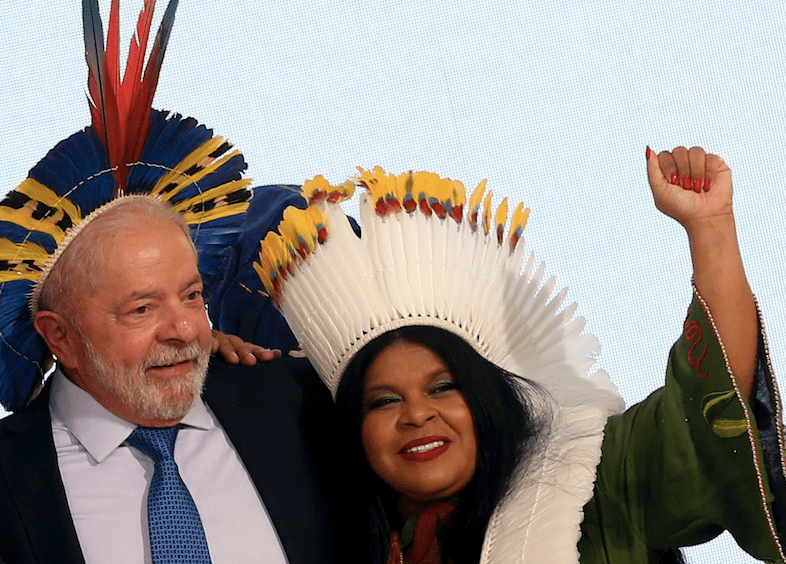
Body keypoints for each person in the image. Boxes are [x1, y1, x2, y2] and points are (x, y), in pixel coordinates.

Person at [245, 153, 786, 563]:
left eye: (442, 388)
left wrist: (710, 230)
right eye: (384, 401)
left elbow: (708, 409)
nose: (417, 415)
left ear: (484, 398)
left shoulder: (591, 482)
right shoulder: (332, 543)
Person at [0, 0, 342, 563]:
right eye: (142, 308)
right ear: (59, 335)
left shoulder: (301, 406)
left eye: (191, 296)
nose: (184, 330)